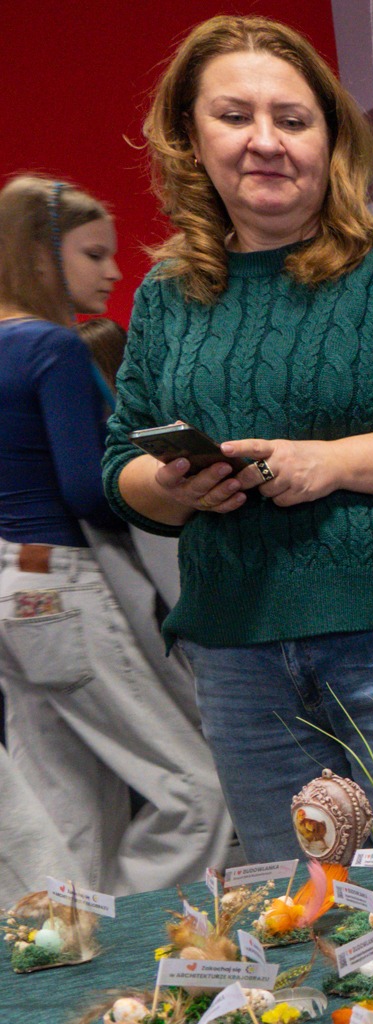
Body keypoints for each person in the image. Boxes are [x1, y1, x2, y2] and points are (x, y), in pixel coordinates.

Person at [101, 16, 373, 862]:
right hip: (237, 664)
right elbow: (122, 464)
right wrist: (175, 486)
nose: (264, 141)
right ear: (191, 135)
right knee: (299, 914)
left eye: (292, 119)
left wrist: (330, 464)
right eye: (235, 116)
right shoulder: (166, 294)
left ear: (330, 140)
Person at [0, 173, 233, 893]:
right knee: (199, 791)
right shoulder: (54, 348)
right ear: (40, 257)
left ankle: (59, 942)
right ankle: (130, 938)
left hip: (13, 595)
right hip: (63, 586)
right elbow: (86, 488)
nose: (112, 271)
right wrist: (172, 488)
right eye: (93, 254)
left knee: (66, 801)